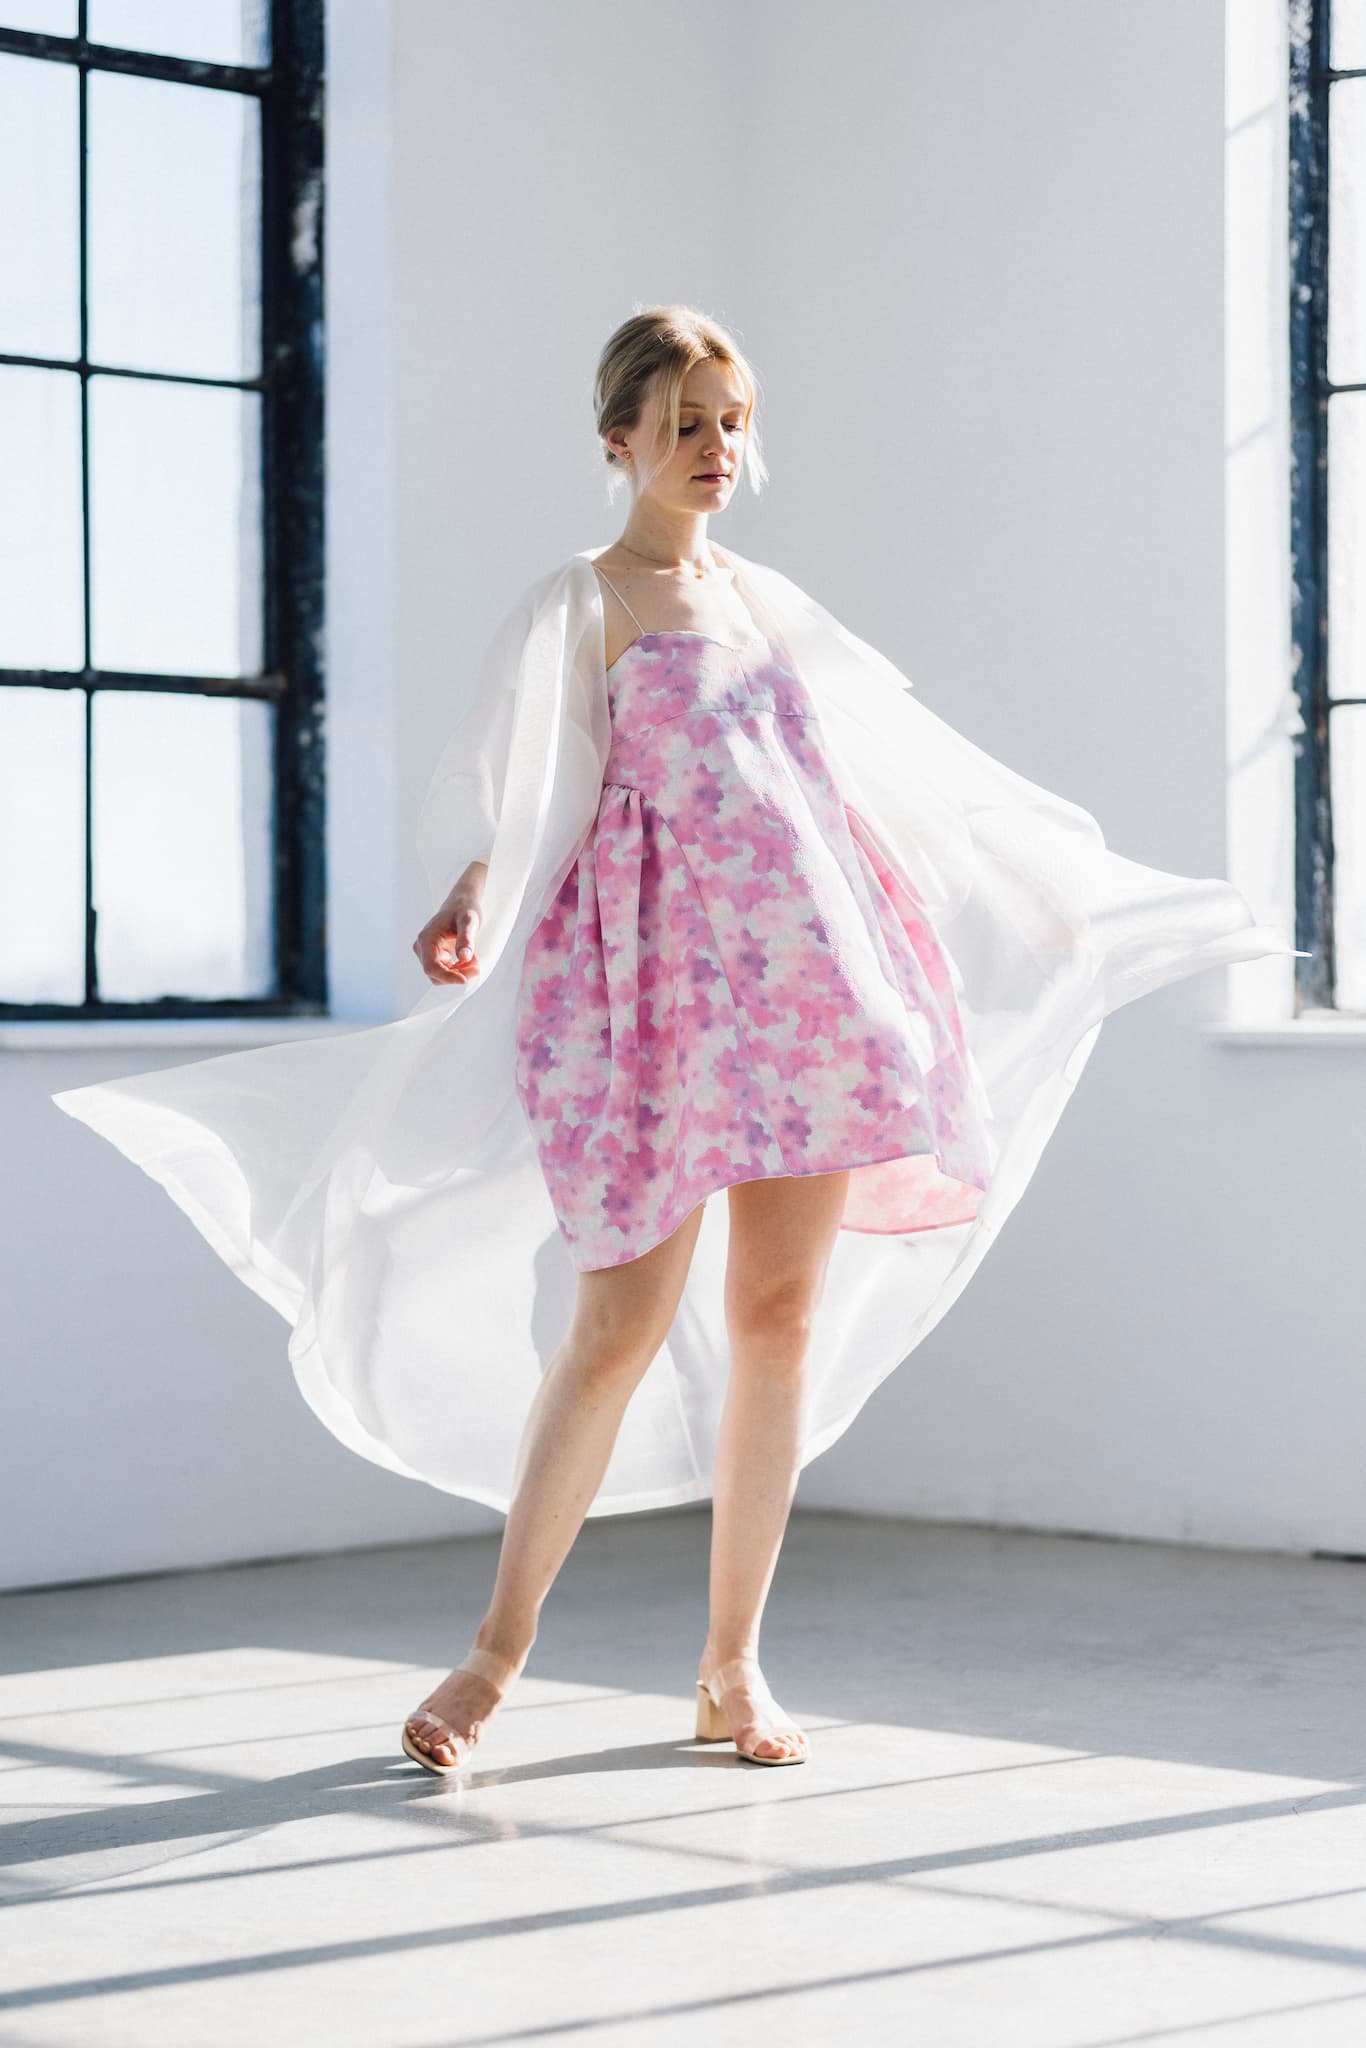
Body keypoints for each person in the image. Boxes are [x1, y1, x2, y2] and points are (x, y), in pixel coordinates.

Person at [52, 305, 1299, 1780]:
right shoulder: (580, 600)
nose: (717, 448)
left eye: (733, 420)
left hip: (809, 991)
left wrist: (1033, 902)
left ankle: (732, 1666)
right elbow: (520, 790)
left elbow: (893, 778)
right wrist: (467, 890)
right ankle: (492, 1657)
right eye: (688, 422)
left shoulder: (767, 604)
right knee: (614, 1331)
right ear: (618, 442)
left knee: (777, 1321)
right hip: (646, 1000)